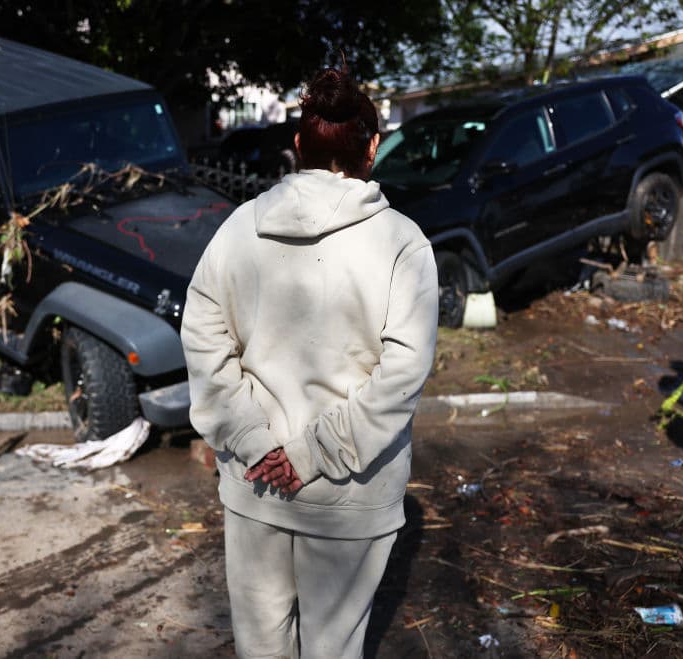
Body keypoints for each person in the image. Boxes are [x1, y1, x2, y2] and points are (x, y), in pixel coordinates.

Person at [181, 65, 438, 659]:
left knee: (261, 648)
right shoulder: (403, 243)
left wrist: (256, 442)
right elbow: (400, 376)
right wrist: (313, 454)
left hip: (256, 483)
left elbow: (202, 339)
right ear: (372, 146)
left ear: (298, 146)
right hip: (351, 496)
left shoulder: (238, 229)